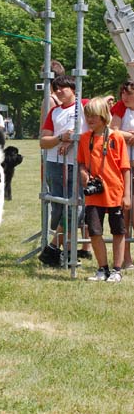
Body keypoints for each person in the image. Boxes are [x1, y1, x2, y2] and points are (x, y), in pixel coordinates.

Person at [78, 97, 130, 282]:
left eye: (94, 116)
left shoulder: (116, 137)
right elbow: (82, 163)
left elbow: (125, 167)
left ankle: (117, 270)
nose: (90, 119)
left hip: (115, 192)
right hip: (94, 194)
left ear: (103, 116)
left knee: (118, 231)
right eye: (87, 116)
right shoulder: (85, 138)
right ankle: (102, 269)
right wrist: (84, 174)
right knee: (94, 231)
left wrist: (127, 195)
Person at [39, 75, 89, 266]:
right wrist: (61, 138)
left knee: (75, 208)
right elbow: (44, 141)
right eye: (56, 88)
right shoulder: (54, 112)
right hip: (55, 163)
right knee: (59, 208)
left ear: (73, 89)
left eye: (63, 88)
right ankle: (65, 252)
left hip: (78, 164)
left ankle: (53, 248)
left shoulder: (84, 107)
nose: (59, 91)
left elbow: (95, 128)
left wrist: (72, 140)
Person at [110, 79, 134, 269]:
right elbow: (114, 131)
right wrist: (129, 135)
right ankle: (126, 259)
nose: (124, 97)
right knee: (124, 212)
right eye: (123, 93)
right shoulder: (119, 107)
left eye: (129, 93)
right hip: (124, 166)